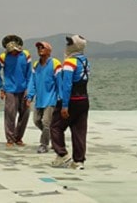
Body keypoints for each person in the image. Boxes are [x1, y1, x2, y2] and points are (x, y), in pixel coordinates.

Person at [50, 34, 89, 169]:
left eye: (69, 44)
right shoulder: (84, 60)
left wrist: (65, 105)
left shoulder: (69, 62)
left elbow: (67, 85)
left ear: (74, 46)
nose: (67, 46)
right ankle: (79, 161)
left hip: (71, 100)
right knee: (79, 131)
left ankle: (62, 155)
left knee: (55, 126)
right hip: (84, 100)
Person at [0, 34, 32, 147]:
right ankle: (10, 139)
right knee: (10, 115)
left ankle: (18, 138)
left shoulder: (26, 55)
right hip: (10, 90)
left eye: (15, 50)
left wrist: (28, 89)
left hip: (24, 89)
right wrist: (2, 87)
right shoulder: (3, 57)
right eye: (11, 51)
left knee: (25, 114)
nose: (13, 53)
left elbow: (29, 74)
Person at [25, 41, 61, 154]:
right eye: (38, 47)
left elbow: (60, 82)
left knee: (46, 122)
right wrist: (30, 96)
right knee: (36, 121)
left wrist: (62, 99)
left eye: (42, 47)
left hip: (51, 99)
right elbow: (32, 82)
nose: (40, 49)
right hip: (40, 99)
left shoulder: (55, 63)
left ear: (49, 51)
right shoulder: (36, 65)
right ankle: (53, 137)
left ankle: (44, 144)